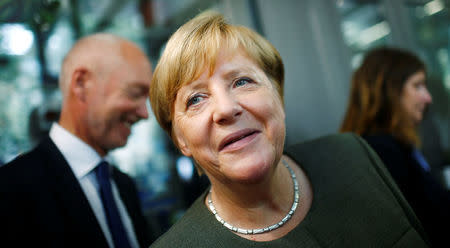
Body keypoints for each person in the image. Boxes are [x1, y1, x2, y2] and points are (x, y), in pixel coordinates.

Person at [148, 11, 429, 247]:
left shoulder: (353, 156)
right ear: (180, 140)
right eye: (195, 99)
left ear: (278, 98)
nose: (225, 109)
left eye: (242, 81)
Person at [0, 33, 153, 248]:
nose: (144, 113)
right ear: (81, 84)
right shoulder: (10, 189)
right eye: (135, 93)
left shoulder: (123, 185)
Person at [340, 47, 450, 247]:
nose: (428, 97)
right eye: (417, 86)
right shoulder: (382, 151)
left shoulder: (395, 144)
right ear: (389, 92)